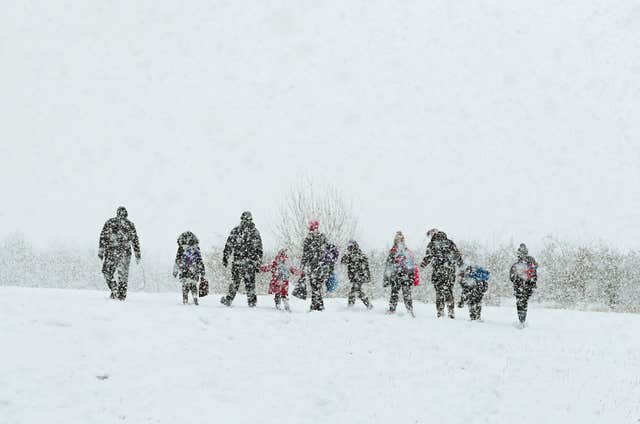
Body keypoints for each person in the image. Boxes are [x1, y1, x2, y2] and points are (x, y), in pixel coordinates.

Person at [220, 211, 264, 307]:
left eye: (247, 220)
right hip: (246, 262)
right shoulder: (252, 232)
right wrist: (225, 257)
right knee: (247, 283)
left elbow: (259, 249)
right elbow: (259, 250)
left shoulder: (239, 231)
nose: (246, 222)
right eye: (245, 220)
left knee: (238, 282)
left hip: (243, 262)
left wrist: (226, 257)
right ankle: (250, 302)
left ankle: (232, 299)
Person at [98, 206, 141, 300]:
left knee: (107, 271)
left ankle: (114, 287)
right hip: (125, 253)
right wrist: (137, 253)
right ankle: (121, 295)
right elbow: (135, 240)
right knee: (123, 275)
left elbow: (103, 237)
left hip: (111, 251)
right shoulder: (130, 225)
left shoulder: (110, 222)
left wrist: (101, 251)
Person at [420, 230, 463, 318]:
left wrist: (421, 266)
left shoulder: (432, 244)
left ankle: (440, 312)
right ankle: (451, 312)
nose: (430, 237)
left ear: (433, 234)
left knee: (439, 292)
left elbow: (428, 257)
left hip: (438, 271)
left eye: (430, 235)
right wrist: (461, 267)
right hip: (450, 271)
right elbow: (457, 255)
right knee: (449, 291)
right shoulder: (449, 242)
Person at [383, 231, 419, 317]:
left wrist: (386, 279)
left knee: (395, 293)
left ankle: (392, 310)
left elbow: (388, 266)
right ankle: (409, 311)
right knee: (405, 293)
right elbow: (413, 265)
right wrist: (413, 277)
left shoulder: (394, 251)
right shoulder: (407, 251)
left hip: (397, 275)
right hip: (406, 275)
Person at [301, 220, 328, 311]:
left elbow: (305, 254)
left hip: (313, 266)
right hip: (322, 266)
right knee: (317, 286)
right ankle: (317, 306)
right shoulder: (322, 236)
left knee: (315, 287)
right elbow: (326, 251)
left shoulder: (309, 238)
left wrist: (303, 265)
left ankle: (317, 307)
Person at [509, 243, 539, 327]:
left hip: (519, 286)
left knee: (520, 303)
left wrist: (516, 280)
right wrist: (532, 284)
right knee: (524, 303)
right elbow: (534, 276)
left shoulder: (516, 265)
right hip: (528, 286)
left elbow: (511, 277)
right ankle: (523, 320)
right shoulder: (530, 264)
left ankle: (521, 320)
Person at [173, 231, 206, 305]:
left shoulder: (181, 248)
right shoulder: (196, 248)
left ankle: (185, 300)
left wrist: (175, 270)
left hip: (184, 269)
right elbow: (199, 260)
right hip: (194, 269)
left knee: (185, 285)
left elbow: (177, 259)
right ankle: (195, 299)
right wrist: (202, 270)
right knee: (193, 284)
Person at [340, 240, 373, 309]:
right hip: (355, 276)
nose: (349, 248)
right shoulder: (350, 254)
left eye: (350, 246)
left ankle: (352, 306)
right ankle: (366, 305)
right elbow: (343, 261)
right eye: (349, 247)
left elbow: (365, 266)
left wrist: (365, 275)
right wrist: (346, 255)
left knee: (356, 290)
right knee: (356, 290)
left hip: (359, 276)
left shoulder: (358, 254)